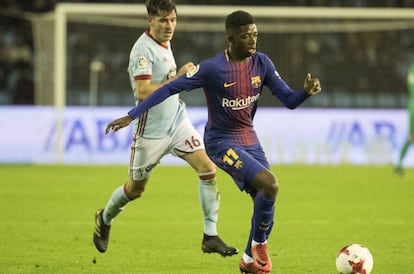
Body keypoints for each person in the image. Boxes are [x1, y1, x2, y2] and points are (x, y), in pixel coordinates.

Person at [105, 10, 321, 274]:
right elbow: (169, 89)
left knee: (266, 195)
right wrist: (131, 115)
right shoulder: (212, 68)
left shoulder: (262, 63)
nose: (253, 40)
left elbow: (288, 100)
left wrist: (305, 93)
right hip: (221, 142)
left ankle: (249, 260)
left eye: (255, 34)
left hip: (249, 138)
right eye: (246, 36)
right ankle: (259, 246)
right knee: (270, 183)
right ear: (231, 37)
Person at [93, 0, 238, 257]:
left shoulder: (164, 42)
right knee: (135, 190)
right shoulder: (142, 50)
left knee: (208, 169)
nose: (169, 25)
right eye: (163, 20)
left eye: (172, 20)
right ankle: (104, 218)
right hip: (151, 131)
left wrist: (182, 79)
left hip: (177, 122)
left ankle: (210, 236)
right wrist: (178, 79)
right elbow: (142, 90)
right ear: (150, 20)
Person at [394, 63, 414, 176]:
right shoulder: (412, 69)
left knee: (411, 137)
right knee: (411, 137)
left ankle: (399, 164)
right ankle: (399, 164)